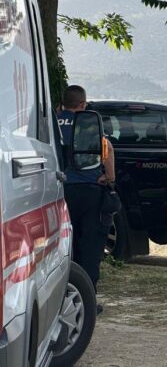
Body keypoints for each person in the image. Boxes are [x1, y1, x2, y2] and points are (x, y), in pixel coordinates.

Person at [58, 85, 115, 312]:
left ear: (62, 104)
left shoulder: (51, 122)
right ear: (82, 104)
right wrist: (109, 178)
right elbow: (107, 148)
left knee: (63, 247)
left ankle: (60, 299)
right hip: (91, 192)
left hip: (60, 194)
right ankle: (86, 301)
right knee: (89, 248)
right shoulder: (87, 122)